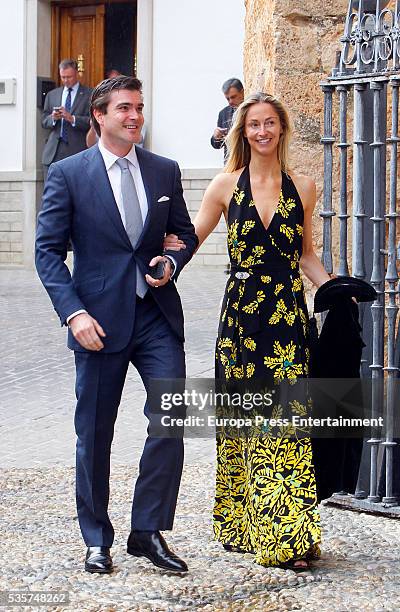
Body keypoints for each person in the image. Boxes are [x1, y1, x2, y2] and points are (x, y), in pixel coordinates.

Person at [35, 76, 198, 575]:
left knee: (171, 420)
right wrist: (74, 313)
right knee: (95, 432)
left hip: (155, 316)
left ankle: (147, 532)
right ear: (99, 116)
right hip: (97, 322)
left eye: (140, 108)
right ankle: (96, 539)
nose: (135, 116)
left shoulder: (164, 171)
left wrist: (173, 263)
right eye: (125, 108)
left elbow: (184, 234)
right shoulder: (68, 174)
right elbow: (47, 253)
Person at [165, 92, 331, 570]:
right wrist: (164, 265)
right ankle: (244, 522)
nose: (262, 131)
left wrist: (334, 290)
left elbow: (305, 255)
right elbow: (191, 240)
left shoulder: (303, 186)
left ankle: (288, 535)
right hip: (240, 316)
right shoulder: (224, 185)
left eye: (269, 124)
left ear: (281, 130)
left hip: (284, 315)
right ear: (244, 132)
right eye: (253, 125)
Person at [41, 59, 92, 181]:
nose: (65, 80)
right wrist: (53, 118)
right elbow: (43, 121)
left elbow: (94, 121)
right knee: (52, 191)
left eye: (69, 77)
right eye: (63, 77)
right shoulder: (52, 95)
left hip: (78, 149)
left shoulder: (89, 94)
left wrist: (72, 118)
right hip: (54, 151)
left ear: (76, 74)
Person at [211, 78, 244, 162]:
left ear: (242, 92)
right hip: (230, 165)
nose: (230, 102)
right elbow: (217, 145)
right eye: (227, 99)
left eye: (233, 97)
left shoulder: (253, 110)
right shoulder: (223, 113)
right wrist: (216, 136)